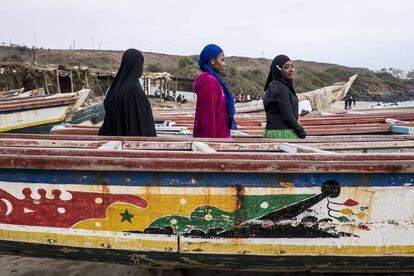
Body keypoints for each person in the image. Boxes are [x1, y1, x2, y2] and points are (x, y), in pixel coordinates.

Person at [98, 49, 156, 136]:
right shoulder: (135, 90)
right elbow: (144, 126)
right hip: (132, 145)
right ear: (136, 65)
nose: (142, 68)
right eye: (141, 64)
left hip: (114, 143)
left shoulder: (115, 88)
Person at [192, 44, 237, 138]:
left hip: (221, 137)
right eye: (222, 60)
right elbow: (208, 117)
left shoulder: (214, 81)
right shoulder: (209, 82)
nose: (224, 64)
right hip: (216, 139)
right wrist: (211, 145)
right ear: (212, 60)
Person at [263, 55, 306, 139]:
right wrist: (301, 132)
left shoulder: (277, 86)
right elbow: (287, 116)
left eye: (292, 67)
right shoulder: (280, 89)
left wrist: (298, 114)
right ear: (277, 70)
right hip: (281, 133)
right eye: (286, 67)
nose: (291, 70)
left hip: (274, 131)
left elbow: (279, 111)